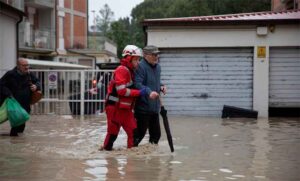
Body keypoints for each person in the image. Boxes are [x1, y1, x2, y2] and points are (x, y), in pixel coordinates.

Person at [100, 45, 158, 151]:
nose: (138, 62)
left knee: (134, 134)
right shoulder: (122, 70)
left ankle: (131, 161)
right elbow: (121, 91)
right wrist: (140, 92)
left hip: (125, 109)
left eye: (139, 59)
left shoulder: (131, 71)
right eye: (136, 59)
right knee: (113, 134)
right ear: (129, 58)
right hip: (114, 108)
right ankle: (108, 158)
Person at [133, 45, 166, 146]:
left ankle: (152, 158)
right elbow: (137, 84)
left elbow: (155, 82)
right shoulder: (140, 67)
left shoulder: (158, 67)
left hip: (154, 107)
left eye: (157, 54)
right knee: (139, 135)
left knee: (156, 135)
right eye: (154, 54)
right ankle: (132, 157)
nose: (156, 57)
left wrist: (161, 86)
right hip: (143, 108)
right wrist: (149, 92)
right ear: (145, 55)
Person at [0, 58, 41, 136]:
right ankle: (14, 140)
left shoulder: (29, 74)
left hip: (25, 102)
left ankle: (17, 140)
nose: (26, 67)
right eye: (24, 65)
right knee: (16, 121)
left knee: (22, 123)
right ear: (18, 66)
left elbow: (37, 81)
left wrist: (36, 86)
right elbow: (1, 85)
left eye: (27, 65)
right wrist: (8, 94)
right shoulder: (10, 74)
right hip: (14, 102)